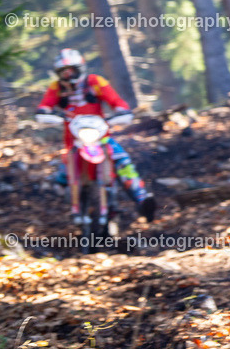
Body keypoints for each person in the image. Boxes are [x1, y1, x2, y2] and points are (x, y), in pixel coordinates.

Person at [37, 48, 156, 222]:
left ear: (80, 68)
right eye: (64, 72)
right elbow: (44, 106)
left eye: (71, 70)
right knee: (61, 176)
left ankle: (142, 199)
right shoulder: (56, 88)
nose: (68, 75)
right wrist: (46, 114)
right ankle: (72, 205)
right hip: (74, 142)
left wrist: (122, 112)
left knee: (122, 160)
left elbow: (116, 101)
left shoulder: (95, 81)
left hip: (101, 138)